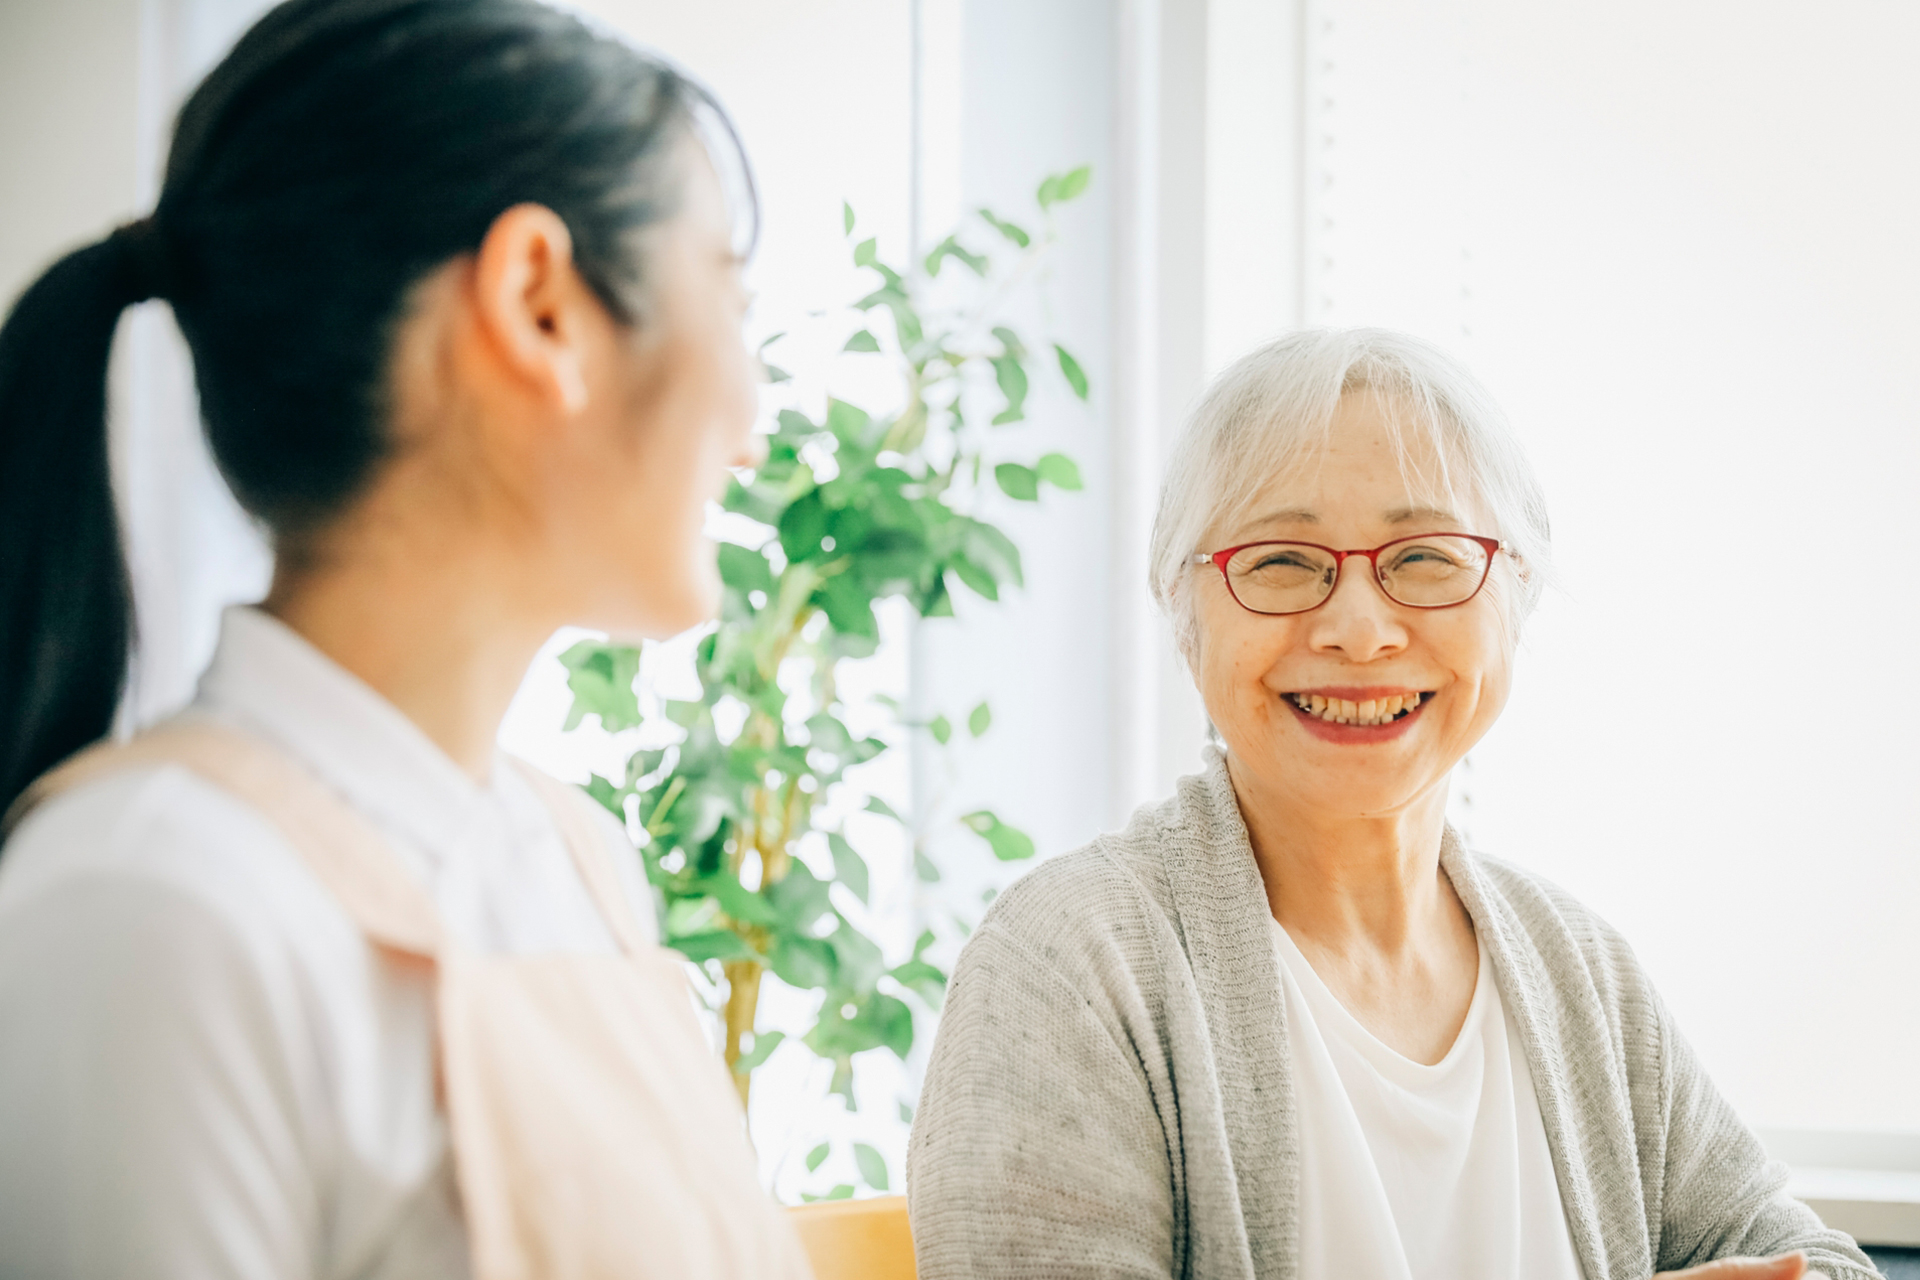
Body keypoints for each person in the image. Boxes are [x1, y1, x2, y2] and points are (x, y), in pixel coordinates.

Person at [0, 2, 811, 1277]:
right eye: (732, 295)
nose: (755, 427)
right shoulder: (152, 903)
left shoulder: (583, 861)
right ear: (539, 304)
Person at [906, 328, 1878, 1280]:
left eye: (1425, 558)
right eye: (1281, 560)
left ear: (1516, 594)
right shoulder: (1073, 967)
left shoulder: (1581, 972)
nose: (1361, 630)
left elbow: (1819, 1263)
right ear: (1182, 609)